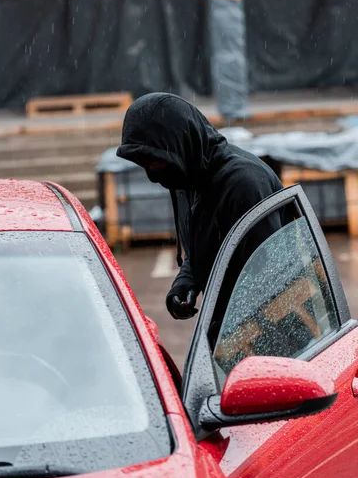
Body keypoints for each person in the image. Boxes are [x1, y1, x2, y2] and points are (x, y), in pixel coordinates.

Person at [116, 92, 290, 327]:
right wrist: (188, 280)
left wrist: (232, 335)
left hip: (269, 335)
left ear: (181, 145)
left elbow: (274, 278)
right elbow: (211, 243)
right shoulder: (188, 174)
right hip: (230, 329)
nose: (152, 176)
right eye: (143, 164)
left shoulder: (243, 185)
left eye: (156, 162)